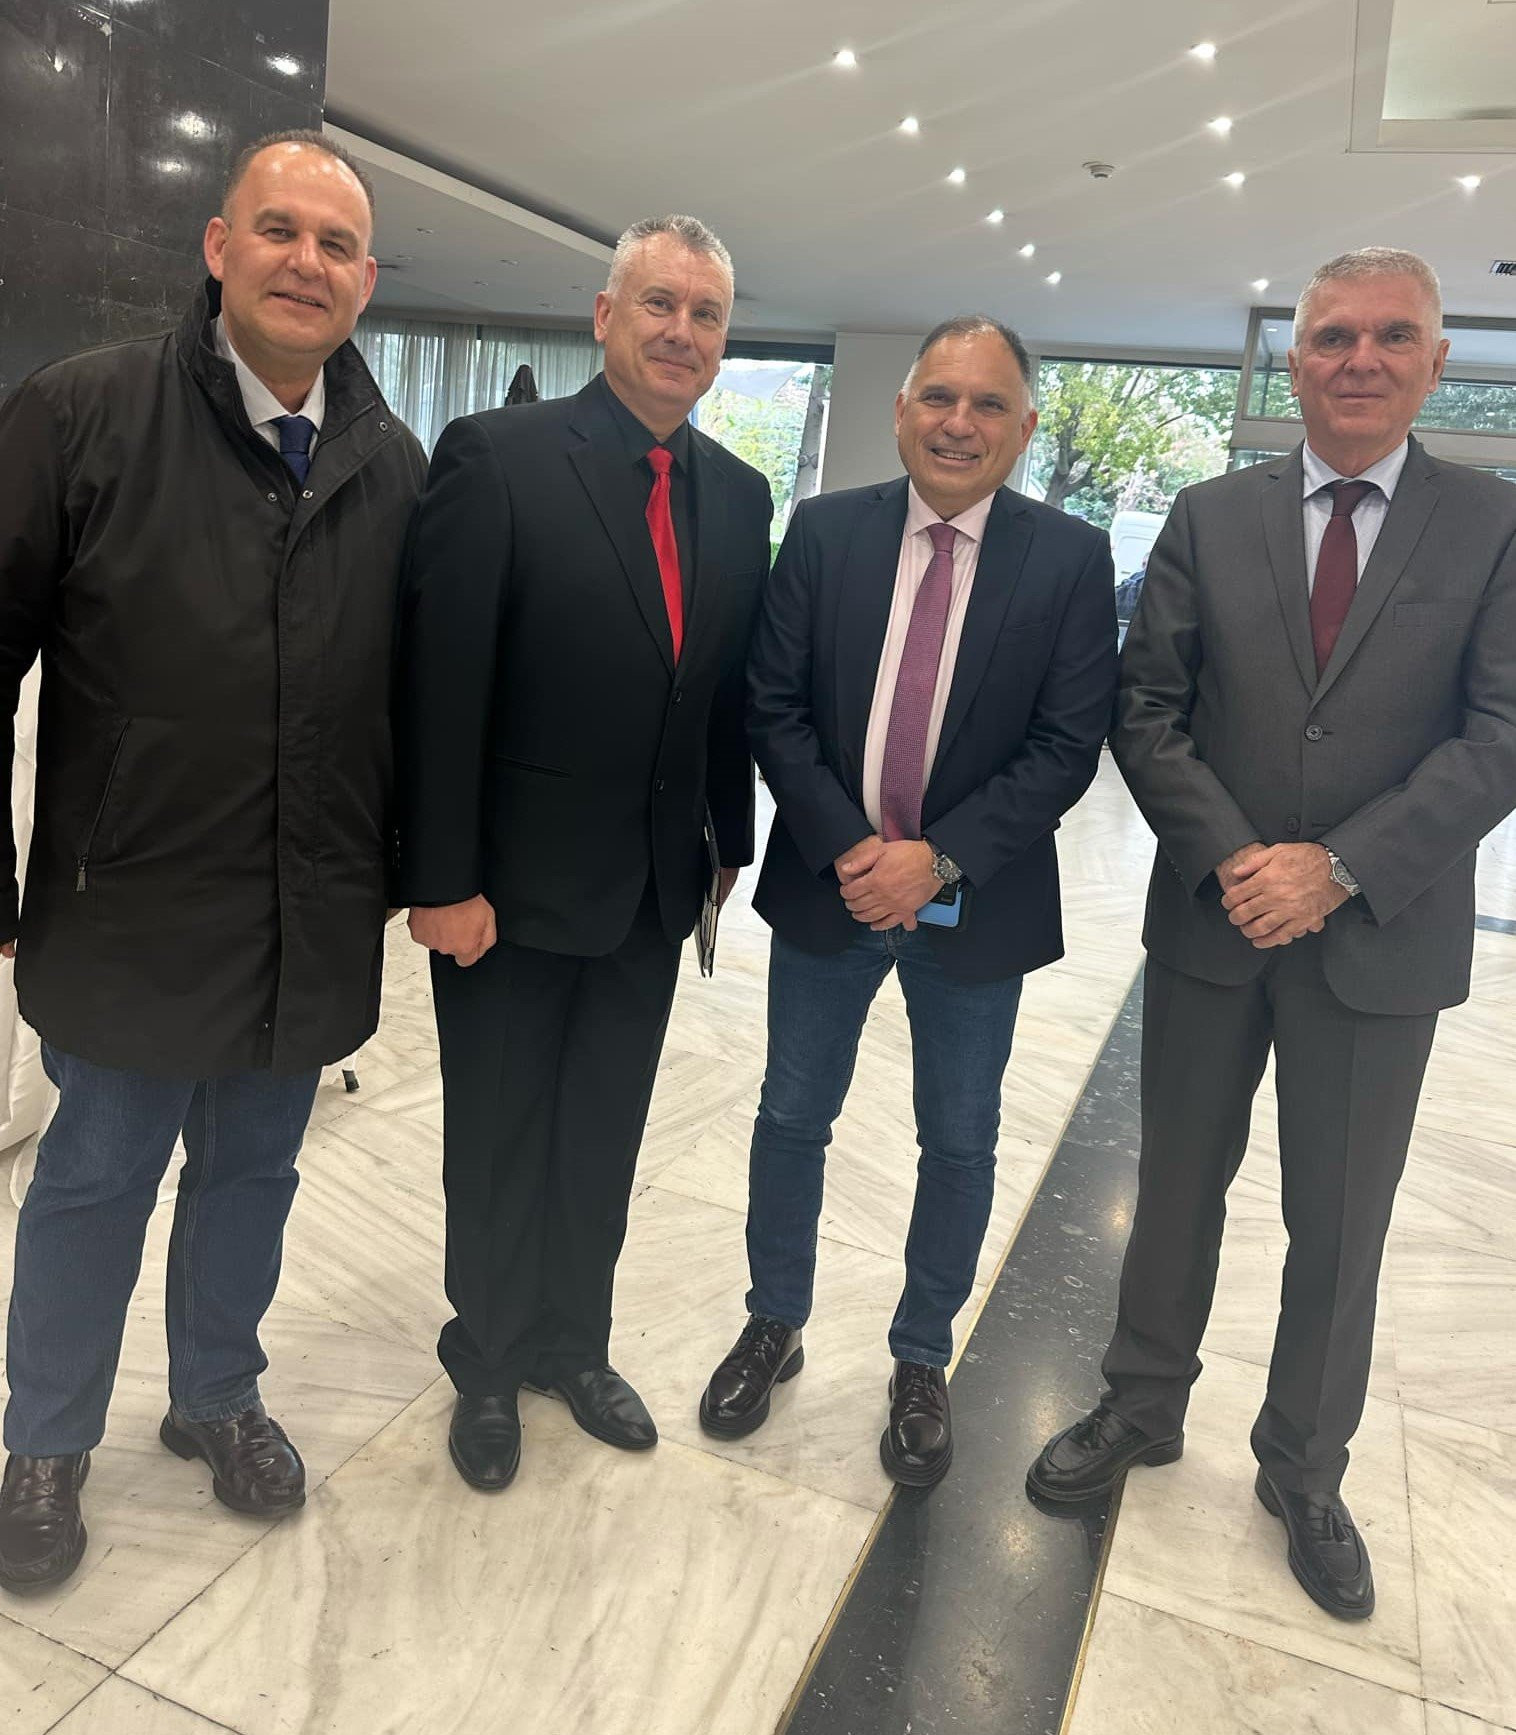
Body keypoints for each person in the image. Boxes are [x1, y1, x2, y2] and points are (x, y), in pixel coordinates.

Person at [1028, 248, 1516, 1620]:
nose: (1360, 359)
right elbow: (1146, 705)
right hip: (1215, 920)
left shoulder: (1492, 524)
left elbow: (1502, 733)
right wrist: (1241, 858)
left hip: (1383, 938)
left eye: (1391, 336)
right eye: (1332, 336)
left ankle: (1304, 1465)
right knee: (1175, 1183)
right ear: (1291, 360)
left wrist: (1341, 868)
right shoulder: (1209, 513)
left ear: (1434, 362)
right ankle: (1140, 1404)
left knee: (1340, 1219)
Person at [0, 131, 426, 1593]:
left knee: (253, 1171)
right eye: (280, 229)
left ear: (367, 280)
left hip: (306, 912)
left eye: (337, 244)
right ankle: (46, 1441)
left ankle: (215, 1396)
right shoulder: (82, 413)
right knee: (96, 1176)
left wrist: (411, 870)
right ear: (218, 246)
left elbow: (411, 697)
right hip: (129, 901)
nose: (308, 262)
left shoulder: (390, 464)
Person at [700, 316, 1118, 1487]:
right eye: (938, 397)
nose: (958, 423)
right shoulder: (825, 533)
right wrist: (852, 846)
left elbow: (1066, 743)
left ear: (1022, 429)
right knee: (791, 1115)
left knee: (960, 1136)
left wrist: (934, 861)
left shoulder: (1069, 558)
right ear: (900, 410)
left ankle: (921, 1355)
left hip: (975, 905)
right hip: (830, 886)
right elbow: (772, 703)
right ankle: (773, 1319)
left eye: (987, 405)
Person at [397, 215, 772, 1491]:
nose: (681, 332)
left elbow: (720, 690)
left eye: (706, 315)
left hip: (651, 889)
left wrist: (726, 839)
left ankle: (574, 1343)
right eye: (658, 303)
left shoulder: (739, 494)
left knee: (602, 1132)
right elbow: (441, 684)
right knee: (500, 1132)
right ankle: (488, 1357)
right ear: (605, 316)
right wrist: (442, 877)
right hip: (504, 892)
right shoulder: (496, 456)